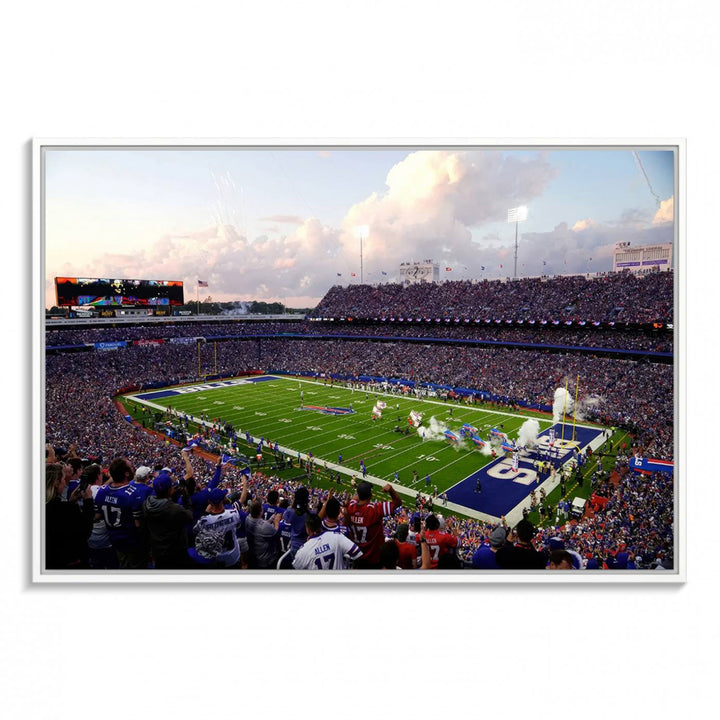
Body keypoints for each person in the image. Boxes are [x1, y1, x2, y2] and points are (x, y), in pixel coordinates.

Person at [94, 457, 150, 569]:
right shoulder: (133, 494)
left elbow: (97, 516)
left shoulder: (101, 491)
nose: (133, 468)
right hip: (131, 541)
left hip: (113, 539)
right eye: (130, 466)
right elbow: (138, 524)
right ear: (126, 473)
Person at [45, 462, 94, 569]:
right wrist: (88, 501)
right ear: (56, 483)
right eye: (63, 479)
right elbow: (85, 531)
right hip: (67, 563)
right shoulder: (64, 509)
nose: (64, 482)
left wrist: (71, 501)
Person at [345, 481, 402, 569]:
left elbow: (355, 499)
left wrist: (362, 488)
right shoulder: (375, 509)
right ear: (371, 495)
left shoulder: (350, 507)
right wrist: (391, 490)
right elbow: (398, 502)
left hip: (357, 558)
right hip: (374, 559)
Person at [142, 472, 194, 569]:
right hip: (174, 551)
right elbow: (190, 515)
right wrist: (186, 497)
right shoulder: (174, 509)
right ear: (170, 490)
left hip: (157, 549)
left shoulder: (146, 504)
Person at [189, 487, 245, 568]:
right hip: (233, 558)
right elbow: (239, 524)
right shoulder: (234, 514)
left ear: (210, 503)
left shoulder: (204, 521)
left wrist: (206, 512)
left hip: (216, 560)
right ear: (223, 500)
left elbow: (195, 531)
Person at [292, 513, 362, 570]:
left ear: (307, 529)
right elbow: (357, 553)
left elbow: (297, 567)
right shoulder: (337, 536)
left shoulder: (304, 550)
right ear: (320, 525)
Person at [245, 499, 281, 569]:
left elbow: (261, 524)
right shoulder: (265, 527)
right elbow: (275, 533)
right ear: (261, 512)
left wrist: (270, 520)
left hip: (252, 556)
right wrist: (276, 522)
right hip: (263, 561)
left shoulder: (247, 518)